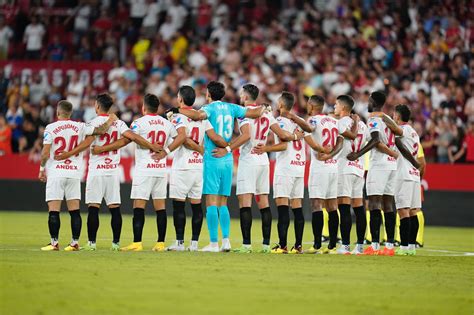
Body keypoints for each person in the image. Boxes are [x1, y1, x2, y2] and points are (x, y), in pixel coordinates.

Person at [168, 81, 265, 252]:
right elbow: (256, 113)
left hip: (212, 157)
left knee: (211, 202)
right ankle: (226, 241)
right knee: (223, 203)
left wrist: (176, 110)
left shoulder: (209, 108)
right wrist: (265, 107)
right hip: (227, 158)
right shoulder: (233, 107)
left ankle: (213, 243)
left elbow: (197, 116)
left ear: (208, 95)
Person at [55, 94, 160, 251]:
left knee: (93, 207)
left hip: (96, 171)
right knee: (115, 208)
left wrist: (67, 154)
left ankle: (91, 243)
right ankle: (115, 243)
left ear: (97, 106)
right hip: (112, 171)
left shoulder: (92, 123)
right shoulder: (119, 123)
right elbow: (133, 137)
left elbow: (86, 143)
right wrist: (151, 145)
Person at [92, 93, 186, 252]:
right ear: (157, 108)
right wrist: (166, 151)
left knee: (139, 206)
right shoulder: (166, 123)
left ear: (144, 107)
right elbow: (181, 138)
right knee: (160, 207)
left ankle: (137, 242)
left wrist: (103, 149)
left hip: (144, 169)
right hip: (161, 169)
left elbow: (126, 140)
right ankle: (160, 243)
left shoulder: (139, 123)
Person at [38, 100, 116, 251]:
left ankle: (54, 243)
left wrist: (42, 168)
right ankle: (74, 242)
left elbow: (45, 152)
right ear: (70, 113)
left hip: (56, 173)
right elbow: (100, 130)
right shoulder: (80, 126)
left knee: (54, 210)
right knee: (74, 210)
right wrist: (111, 119)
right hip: (74, 173)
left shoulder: (51, 127)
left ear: (57, 112)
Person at [231, 84, 300, 254]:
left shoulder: (243, 114)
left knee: (245, 202)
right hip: (264, 160)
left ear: (246, 97)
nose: (240, 97)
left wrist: (228, 148)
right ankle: (266, 245)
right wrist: (296, 136)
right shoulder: (267, 114)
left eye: (241, 94)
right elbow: (283, 136)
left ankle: (246, 245)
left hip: (249, 159)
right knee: (264, 203)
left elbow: (245, 135)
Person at [256, 92, 320, 254]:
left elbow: (283, 145)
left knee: (283, 207)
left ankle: (282, 245)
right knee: (297, 208)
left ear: (281, 105)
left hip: (285, 168)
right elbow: (307, 131)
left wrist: (266, 148)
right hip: (299, 167)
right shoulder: (298, 123)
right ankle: (298, 246)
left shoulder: (281, 122)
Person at [166, 86, 227, 252]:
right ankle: (194, 244)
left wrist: (198, 148)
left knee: (179, 206)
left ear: (180, 99)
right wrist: (228, 147)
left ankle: (179, 243)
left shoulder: (177, 116)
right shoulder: (202, 118)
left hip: (183, 166)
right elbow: (214, 137)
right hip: (198, 167)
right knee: (196, 205)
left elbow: (182, 139)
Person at [347, 91, 399, 256]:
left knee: (374, 204)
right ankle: (389, 246)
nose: (367, 103)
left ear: (373, 102)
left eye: (368, 101)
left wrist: (358, 154)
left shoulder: (374, 120)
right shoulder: (387, 118)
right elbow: (400, 132)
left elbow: (376, 140)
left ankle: (375, 245)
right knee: (388, 205)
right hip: (392, 166)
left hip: (380, 164)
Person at [299, 95, 341, 254]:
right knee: (332, 206)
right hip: (333, 167)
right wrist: (331, 154)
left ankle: (316, 245)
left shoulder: (312, 120)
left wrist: (321, 150)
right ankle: (332, 246)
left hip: (320, 169)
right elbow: (340, 141)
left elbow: (308, 136)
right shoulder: (333, 121)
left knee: (316, 204)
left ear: (311, 105)